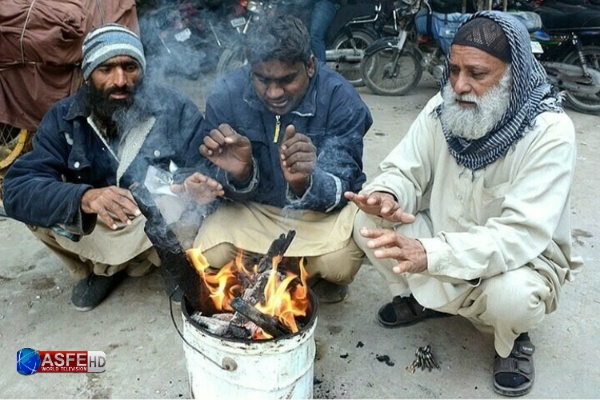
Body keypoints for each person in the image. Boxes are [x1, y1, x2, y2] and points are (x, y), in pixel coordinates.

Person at [345, 11, 583, 397]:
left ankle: (511, 342)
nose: (459, 85)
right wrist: (387, 195)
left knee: (513, 298)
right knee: (365, 224)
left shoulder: (550, 132)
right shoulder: (442, 109)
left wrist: (430, 253)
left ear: (513, 73)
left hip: (518, 259)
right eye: (454, 69)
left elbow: (518, 235)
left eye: (477, 73)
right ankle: (428, 300)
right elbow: (405, 169)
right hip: (441, 242)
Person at [2, 24, 222, 311]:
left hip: (155, 215)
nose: (120, 80)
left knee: (185, 209)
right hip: (100, 222)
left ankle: (173, 262)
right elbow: (18, 188)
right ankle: (100, 269)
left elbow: (203, 165)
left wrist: (193, 183)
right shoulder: (64, 119)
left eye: (130, 67)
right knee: (40, 209)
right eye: (106, 69)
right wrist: (83, 198)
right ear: (88, 73)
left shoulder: (172, 107)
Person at [177, 15, 373, 303]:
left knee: (340, 264)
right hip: (254, 210)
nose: (274, 93)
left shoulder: (340, 98)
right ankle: (286, 271)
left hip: (316, 218)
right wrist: (240, 174)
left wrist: (306, 182)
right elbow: (210, 174)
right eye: (262, 79)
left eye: (286, 80)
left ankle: (276, 270)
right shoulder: (226, 95)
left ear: (310, 65)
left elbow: (344, 183)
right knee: (208, 253)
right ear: (250, 70)